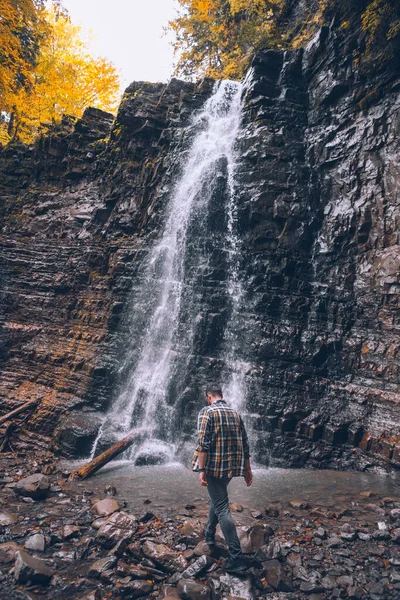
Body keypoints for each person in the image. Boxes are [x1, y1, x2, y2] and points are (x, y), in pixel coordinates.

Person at [192, 383, 253, 574]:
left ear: (209, 397)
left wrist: (201, 469)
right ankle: (209, 535)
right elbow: (245, 443)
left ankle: (236, 557)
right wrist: (247, 470)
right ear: (221, 395)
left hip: (213, 467)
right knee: (218, 499)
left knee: (222, 508)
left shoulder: (207, 412)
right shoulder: (235, 413)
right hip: (231, 468)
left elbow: (203, 444)